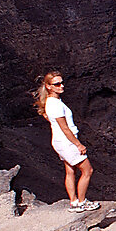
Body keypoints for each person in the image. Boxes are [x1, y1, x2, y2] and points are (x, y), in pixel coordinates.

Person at [34, 71, 100, 213]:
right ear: (49, 86)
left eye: (62, 82)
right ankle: (82, 203)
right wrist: (78, 144)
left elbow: (51, 119)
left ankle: (74, 202)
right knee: (87, 170)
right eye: (57, 84)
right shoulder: (55, 104)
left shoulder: (51, 102)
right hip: (67, 142)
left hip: (59, 141)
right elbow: (65, 128)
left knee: (70, 171)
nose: (61, 86)